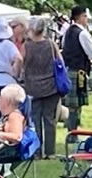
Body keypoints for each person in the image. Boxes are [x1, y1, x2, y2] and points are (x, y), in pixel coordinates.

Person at [21, 18, 61, 159]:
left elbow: (21, 63)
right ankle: (50, 152)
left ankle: (36, 152)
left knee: (35, 120)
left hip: (32, 88)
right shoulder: (51, 44)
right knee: (49, 120)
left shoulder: (27, 46)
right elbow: (60, 62)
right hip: (51, 86)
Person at [61, 6, 92, 134]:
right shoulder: (82, 33)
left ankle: (72, 130)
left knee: (73, 105)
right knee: (75, 106)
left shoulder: (68, 32)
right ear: (79, 17)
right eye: (84, 16)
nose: (86, 19)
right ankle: (73, 132)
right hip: (79, 73)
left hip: (69, 70)